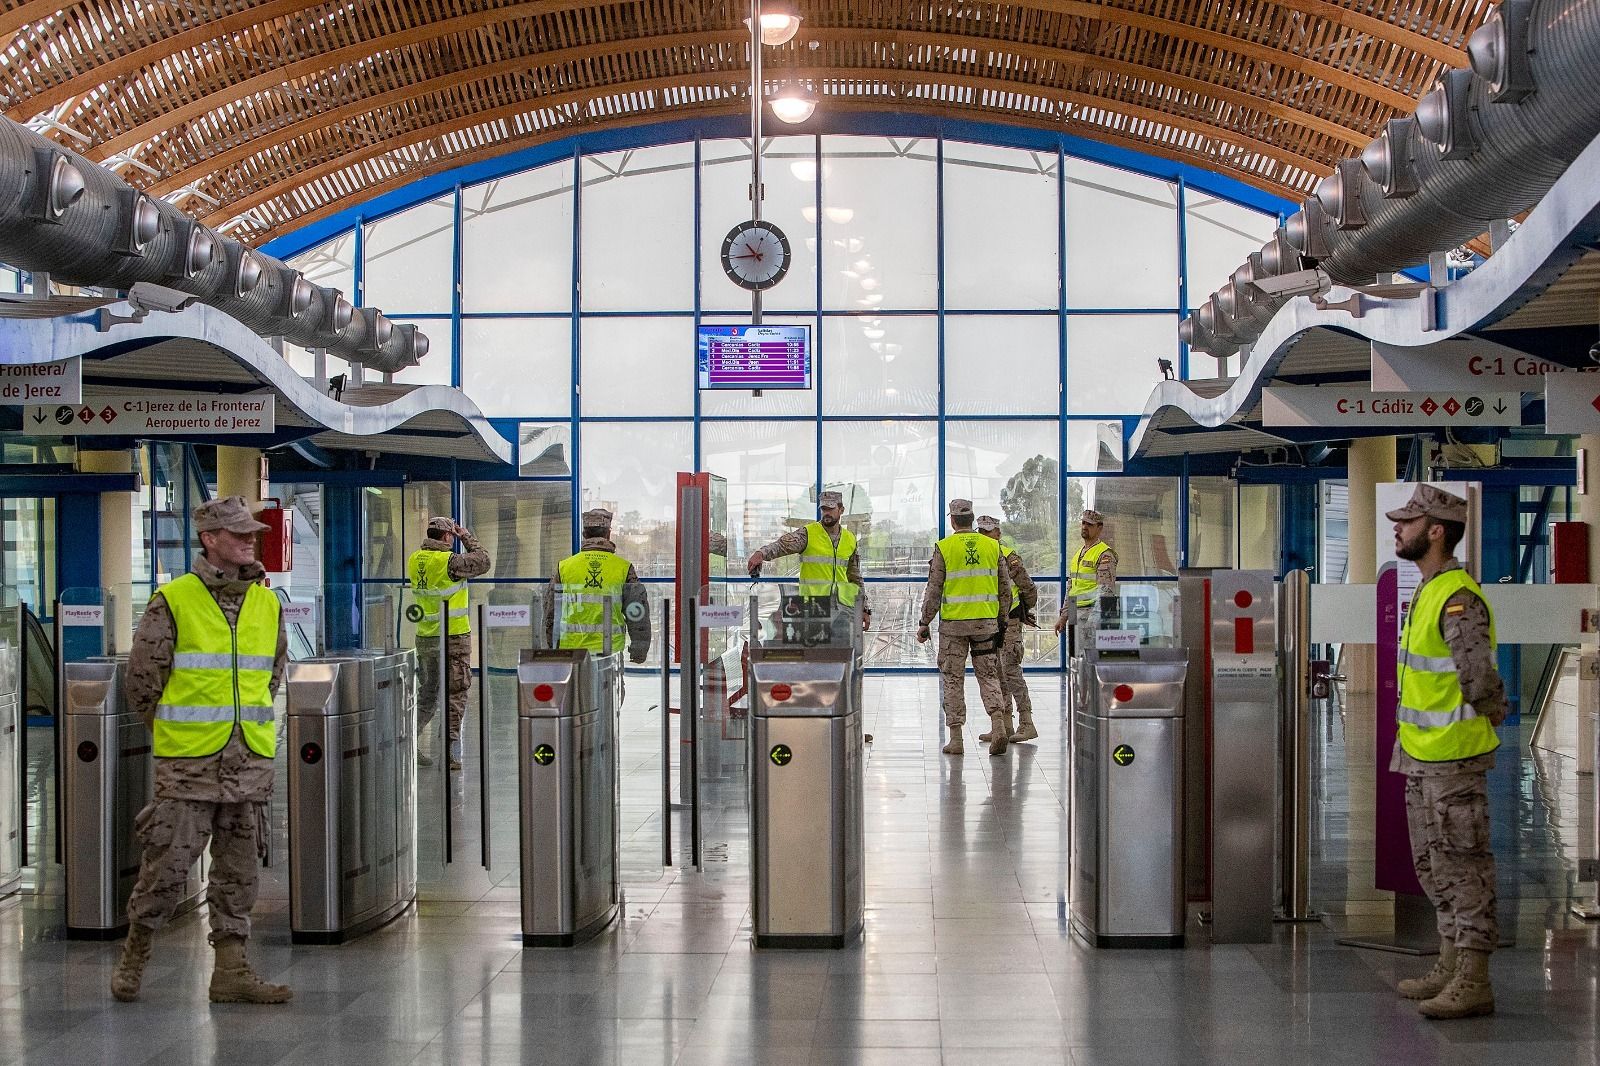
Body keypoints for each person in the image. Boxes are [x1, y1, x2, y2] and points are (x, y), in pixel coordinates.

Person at [111, 496, 291, 1005]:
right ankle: (136, 952)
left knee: (240, 868)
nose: (248, 540)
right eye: (237, 534)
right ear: (209, 539)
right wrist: (176, 733)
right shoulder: (174, 599)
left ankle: (231, 970)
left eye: (251, 534)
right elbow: (143, 682)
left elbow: (272, 674)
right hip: (190, 762)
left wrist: (242, 726)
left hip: (248, 760)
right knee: (167, 863)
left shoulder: (265, 601)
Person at [1387, 484, 1506, 1020]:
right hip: (1420, 753)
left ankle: (1473, 978)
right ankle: (1449, 960)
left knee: (1465, 865)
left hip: (1453, 756)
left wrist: (1492, 709)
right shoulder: (1428, 592)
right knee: (1433, 863)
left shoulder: (1458, 596)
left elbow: (1478, 675)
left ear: (1436, 530)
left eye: (1408, 522)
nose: (1398, 528)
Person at [917, 500, 1012, 756]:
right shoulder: (993, 547)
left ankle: (956, 738)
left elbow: (934, 589)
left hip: (953, 628)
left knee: (952, 678)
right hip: (985, 624)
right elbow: (1005, 590)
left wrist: (924, 622)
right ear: (971, 519)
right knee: (989, 675)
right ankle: (998, 725)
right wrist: (1001, 621)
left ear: (952, 521)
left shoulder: (944, 548)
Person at [408, 516, 491, 770]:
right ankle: (452, 753)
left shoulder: (415, 559)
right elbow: (483, 561)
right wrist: (465, 535)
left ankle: (408, 742)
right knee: (455, 695)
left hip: (425, 636)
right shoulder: (450, 563)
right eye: (451, 537)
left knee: (428, 694)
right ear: (446, 537)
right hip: (453, 637)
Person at [746, 489, 872, 637]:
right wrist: (762, 553)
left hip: (843, 610)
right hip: (814, 609)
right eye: (824, 509)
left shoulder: (850, 539)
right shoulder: (808, 534)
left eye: (831, 509)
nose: (826, 513)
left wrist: (864, 608)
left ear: (841, 510)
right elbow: (782, 545)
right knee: (815, 656)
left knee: (843, 656)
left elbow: (855, 578)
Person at [545, 508, 651, 663]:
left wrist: (551, 647)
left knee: (575, 688)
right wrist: (639, 649)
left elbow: (551, 612)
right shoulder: (623, 568)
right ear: (608, 534)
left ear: (584, 535)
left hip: (571, 653)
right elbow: (637, 611)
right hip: (610, 652)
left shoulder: (564, 567)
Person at [976, 515, 1039, 744]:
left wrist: (1023, 612)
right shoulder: (982, 555)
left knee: (1010, 669)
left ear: (998, 533)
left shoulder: (1009, 556)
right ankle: (1004, 725)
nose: (985, 535)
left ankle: (1026, 722)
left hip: (1010, 620)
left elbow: (1028, 588)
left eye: (989, 531)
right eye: (981, 531)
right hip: (992, 621)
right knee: (997, 672)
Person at [1055, 508, 1117, 649]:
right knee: (1076, 663)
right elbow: (1071, 588)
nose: (1084, 527)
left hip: (1090, 616)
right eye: (1083, 523)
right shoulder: (1078, 554)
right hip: (1075, 614)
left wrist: (1093, 623)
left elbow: (1106, 592)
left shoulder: (1104, 554)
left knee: (1087, 664)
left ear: (1099, 528)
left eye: (1089, 524)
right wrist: (1064, 616)